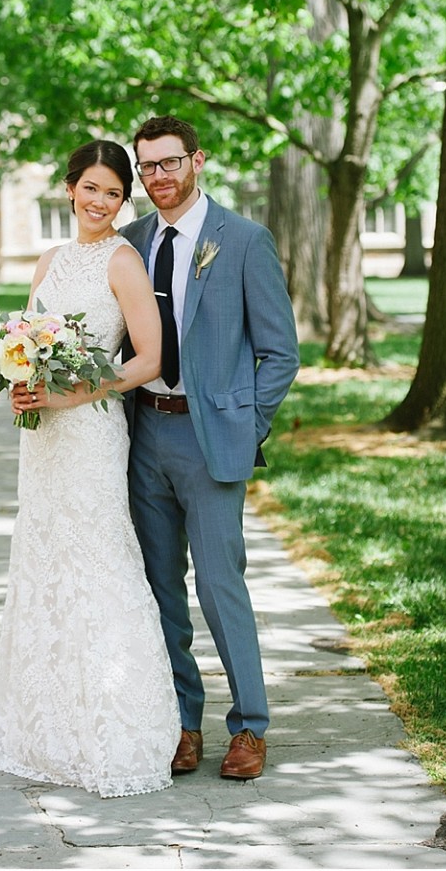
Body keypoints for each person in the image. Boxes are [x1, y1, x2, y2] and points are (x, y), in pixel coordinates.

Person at [0, 140, 181, 798]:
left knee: (97, 558)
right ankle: (40, 709)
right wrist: (19, 375)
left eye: (113, 192)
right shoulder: (49, 259)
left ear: (121, 199)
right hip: (41, 434)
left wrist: (74, 394)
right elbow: (30, 336)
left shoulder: (125, 261)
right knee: (44, 558)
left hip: (90, 431)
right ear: (70, 187)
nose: (101, 201)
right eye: (91, 188)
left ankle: (109, 717)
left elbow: (150, 357)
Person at [120, 115, 299, 782]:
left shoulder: (245, 241)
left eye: (169, 162)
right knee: (159, 588)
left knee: (222, 586)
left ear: (198, 159)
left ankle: (250, 725)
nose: (158, 176)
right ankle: (182, 723)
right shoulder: (131, 241)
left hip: (210, 436)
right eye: (148, 167)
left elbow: (280, 353)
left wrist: (245, 424)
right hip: (145, 434)